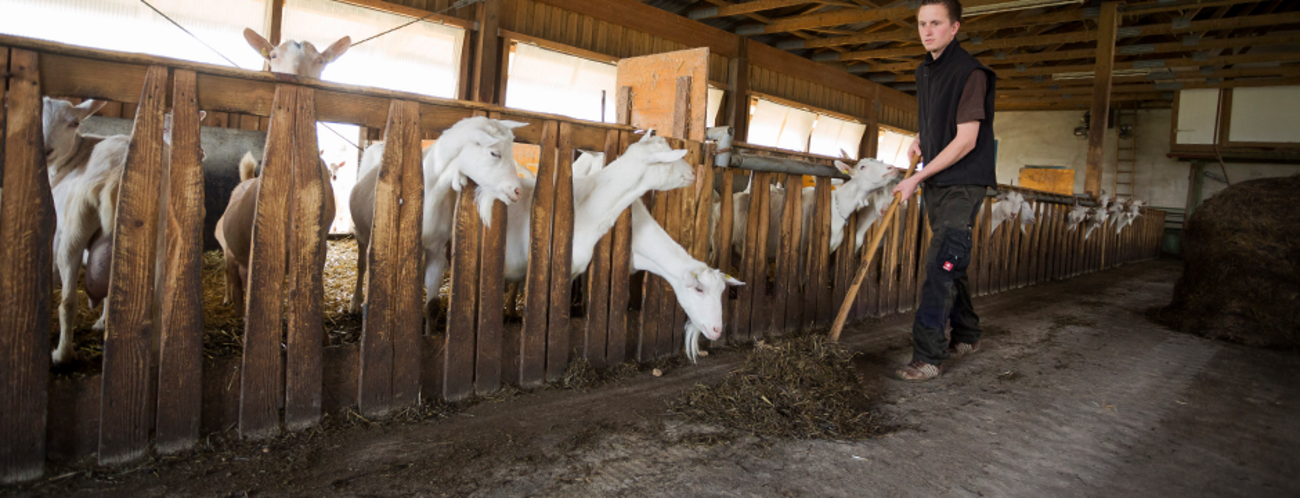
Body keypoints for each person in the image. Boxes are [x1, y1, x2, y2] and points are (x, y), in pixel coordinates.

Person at [891, 0, 997, 381]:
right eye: (922, 23)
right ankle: (967, 334)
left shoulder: (970, 72)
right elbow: (942, 123)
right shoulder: (926, 71)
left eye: (936, 23)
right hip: (939, 181)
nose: (927, 31)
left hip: (963, 183)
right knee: (954, 261)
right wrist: (922, 137)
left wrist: (917, 177)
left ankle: (928, 356)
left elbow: (967, 140)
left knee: (940, 264)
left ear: (954, 28)